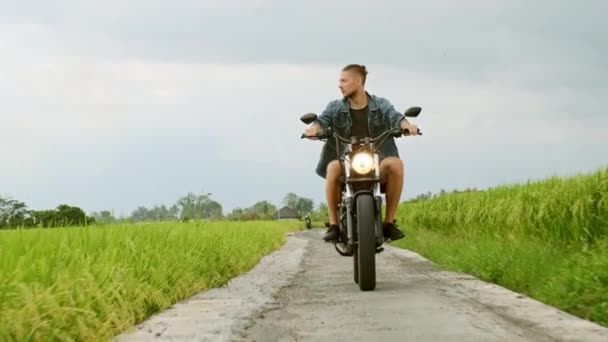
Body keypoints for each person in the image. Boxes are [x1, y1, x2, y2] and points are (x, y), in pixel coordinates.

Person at [302, 64, 419, 242]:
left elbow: (396, 117)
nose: (339, 85)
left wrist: (407, 127)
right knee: (333, 166)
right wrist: (313, 130)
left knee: (396, 164)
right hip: (346, 162)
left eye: (343, 80)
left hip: (378, 161)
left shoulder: (381, 104)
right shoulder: (335, 107)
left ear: (357, 81)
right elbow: (322, 120)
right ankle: (333, 225)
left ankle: (388, 223)